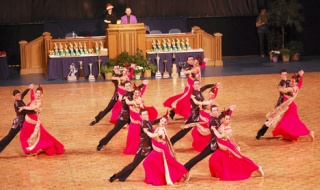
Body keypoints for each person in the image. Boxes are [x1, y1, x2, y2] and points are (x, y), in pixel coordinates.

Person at [183, 105, 235, 182]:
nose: (215, 112)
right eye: (213, 111)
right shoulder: (213, 121)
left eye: (216, 110)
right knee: (199, 157)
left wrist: (230, 110)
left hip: (219, 144)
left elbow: (223, 116)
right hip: (213, 145)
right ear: (211, 112)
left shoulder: (217, 118)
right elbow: (214, 131)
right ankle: (185, 168)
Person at [209, 109, 264, 180]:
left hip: (227, 148)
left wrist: (214, 129)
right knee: (212, 160)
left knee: (241, 159)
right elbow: (220, 116)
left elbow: (220, 137)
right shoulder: (221, 124)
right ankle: (220, 174)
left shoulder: (227, 129)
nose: (227, 121)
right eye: (226, 119)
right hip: (221, 149)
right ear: (223, 119)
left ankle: (257, 167)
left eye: (229, 119)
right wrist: (230, 111)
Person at [109, 109, 161, 182]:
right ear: (141, 116)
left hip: (149, 148)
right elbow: (151, 135)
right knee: (133, 165)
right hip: (143, 149)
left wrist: (162, 118)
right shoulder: (144, 125)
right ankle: (117, 176)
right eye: (144, 115)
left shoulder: (147, 122)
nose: (146, 116)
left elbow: (153, 122)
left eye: (146, 114)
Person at [96, 80, 148, 151]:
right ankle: (101, 143)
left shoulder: (132, 92)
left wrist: (143, 84)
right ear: (125, 88)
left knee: (140, 129)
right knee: (114, 130)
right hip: (123, 117)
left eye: (129, 85)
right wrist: (136, 102)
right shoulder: (125, 95)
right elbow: (128, 102)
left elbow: (137, 90)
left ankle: (144, 145)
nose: (128, 87)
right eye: (127, 86)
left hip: (132, 116)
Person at [264, 71, 314, 141]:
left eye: (293, 82)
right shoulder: (297, 86)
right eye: (291, 81)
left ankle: (309, 132)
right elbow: (300, 83)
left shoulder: (292, 88)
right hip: (290, 107)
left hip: (290, 108)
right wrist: (300, 76)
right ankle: (286, 135)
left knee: (290, 122)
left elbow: (285, 90)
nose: (291, 83)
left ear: (295, 83)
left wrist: (280, 88)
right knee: (286, 122)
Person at [19, 85, 65, 156]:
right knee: (24, 136)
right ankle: (29, 150)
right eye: (37, 93)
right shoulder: (33, 100)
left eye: (40, 93)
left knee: (35, 136)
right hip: (28, 122)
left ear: (42, 95)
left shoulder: (40, 103)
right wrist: (31, 89)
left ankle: (31, 150)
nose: (38, 94)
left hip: (33, 123)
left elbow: (33, 107)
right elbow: (31, 97)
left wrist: (24, 107)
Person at [143, 114, 187, 186]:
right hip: (157, 150)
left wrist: (146, 131)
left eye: (164, 121)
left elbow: (153, 136)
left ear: (165, 123)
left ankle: (184, 172)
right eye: (162, 120)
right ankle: (156, 178)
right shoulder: (159, 128)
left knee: (170, 163)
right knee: (156, 164)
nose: (162, 122)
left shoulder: (161, 130)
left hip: (160, 151)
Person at [170, 79, 217, 146]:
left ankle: (211, 142)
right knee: (184, 131)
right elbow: (196, 103)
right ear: (193, 86)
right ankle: (171, 141)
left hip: (200, 116)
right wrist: (205, 102)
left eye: (198, 84)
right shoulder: (193, 94)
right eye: (195, 84)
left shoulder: (200, 91)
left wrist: (214, 85)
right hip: (195, 117)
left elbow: (206, 86)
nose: (197, 85)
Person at [256, 69, 290, 140]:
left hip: (288, 104)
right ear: (280, 75)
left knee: (288, 119)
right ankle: (260, 133)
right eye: (283, 75)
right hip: (281, 104)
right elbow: (282, 90)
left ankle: (288, 134)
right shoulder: (281, 83)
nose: (284, 76)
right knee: (271, 119)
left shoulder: (289, 82)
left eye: (285, 74)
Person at [0, 85, 35, 153]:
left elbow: (23, 94)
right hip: (18, 124)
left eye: (19, 94)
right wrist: (36, 109)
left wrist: (28, 88)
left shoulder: (19, 98)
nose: (19, 96)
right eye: (17, 95)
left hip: (24, 122)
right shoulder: (17, 103)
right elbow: (26, 111)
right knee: (9, 137)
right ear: (14, 97)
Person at [123, 87, 158, 155]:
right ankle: (134, 149)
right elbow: (141, 91)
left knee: (138, 137)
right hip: (133, 122)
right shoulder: (134, 98)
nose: (137, 94)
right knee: (132, 137)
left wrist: (126, 98)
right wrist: (144, 85)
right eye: (135, 93)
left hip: (138, 122)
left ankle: (140, 149)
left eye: (138, 93)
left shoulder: (138, 101)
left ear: (139, 94)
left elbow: (128, 102)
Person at [191, 85, 219, 152]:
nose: (210, 95)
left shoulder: (209, 102)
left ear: (213, 96)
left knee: (203, 133)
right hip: (202, 113)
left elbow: (197, 103)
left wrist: (193, 98)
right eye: (209, 94)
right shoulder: (206, 99)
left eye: (211, 95)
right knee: (195, 131)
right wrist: (216, 88)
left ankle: (204, 145)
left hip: (206, 116)